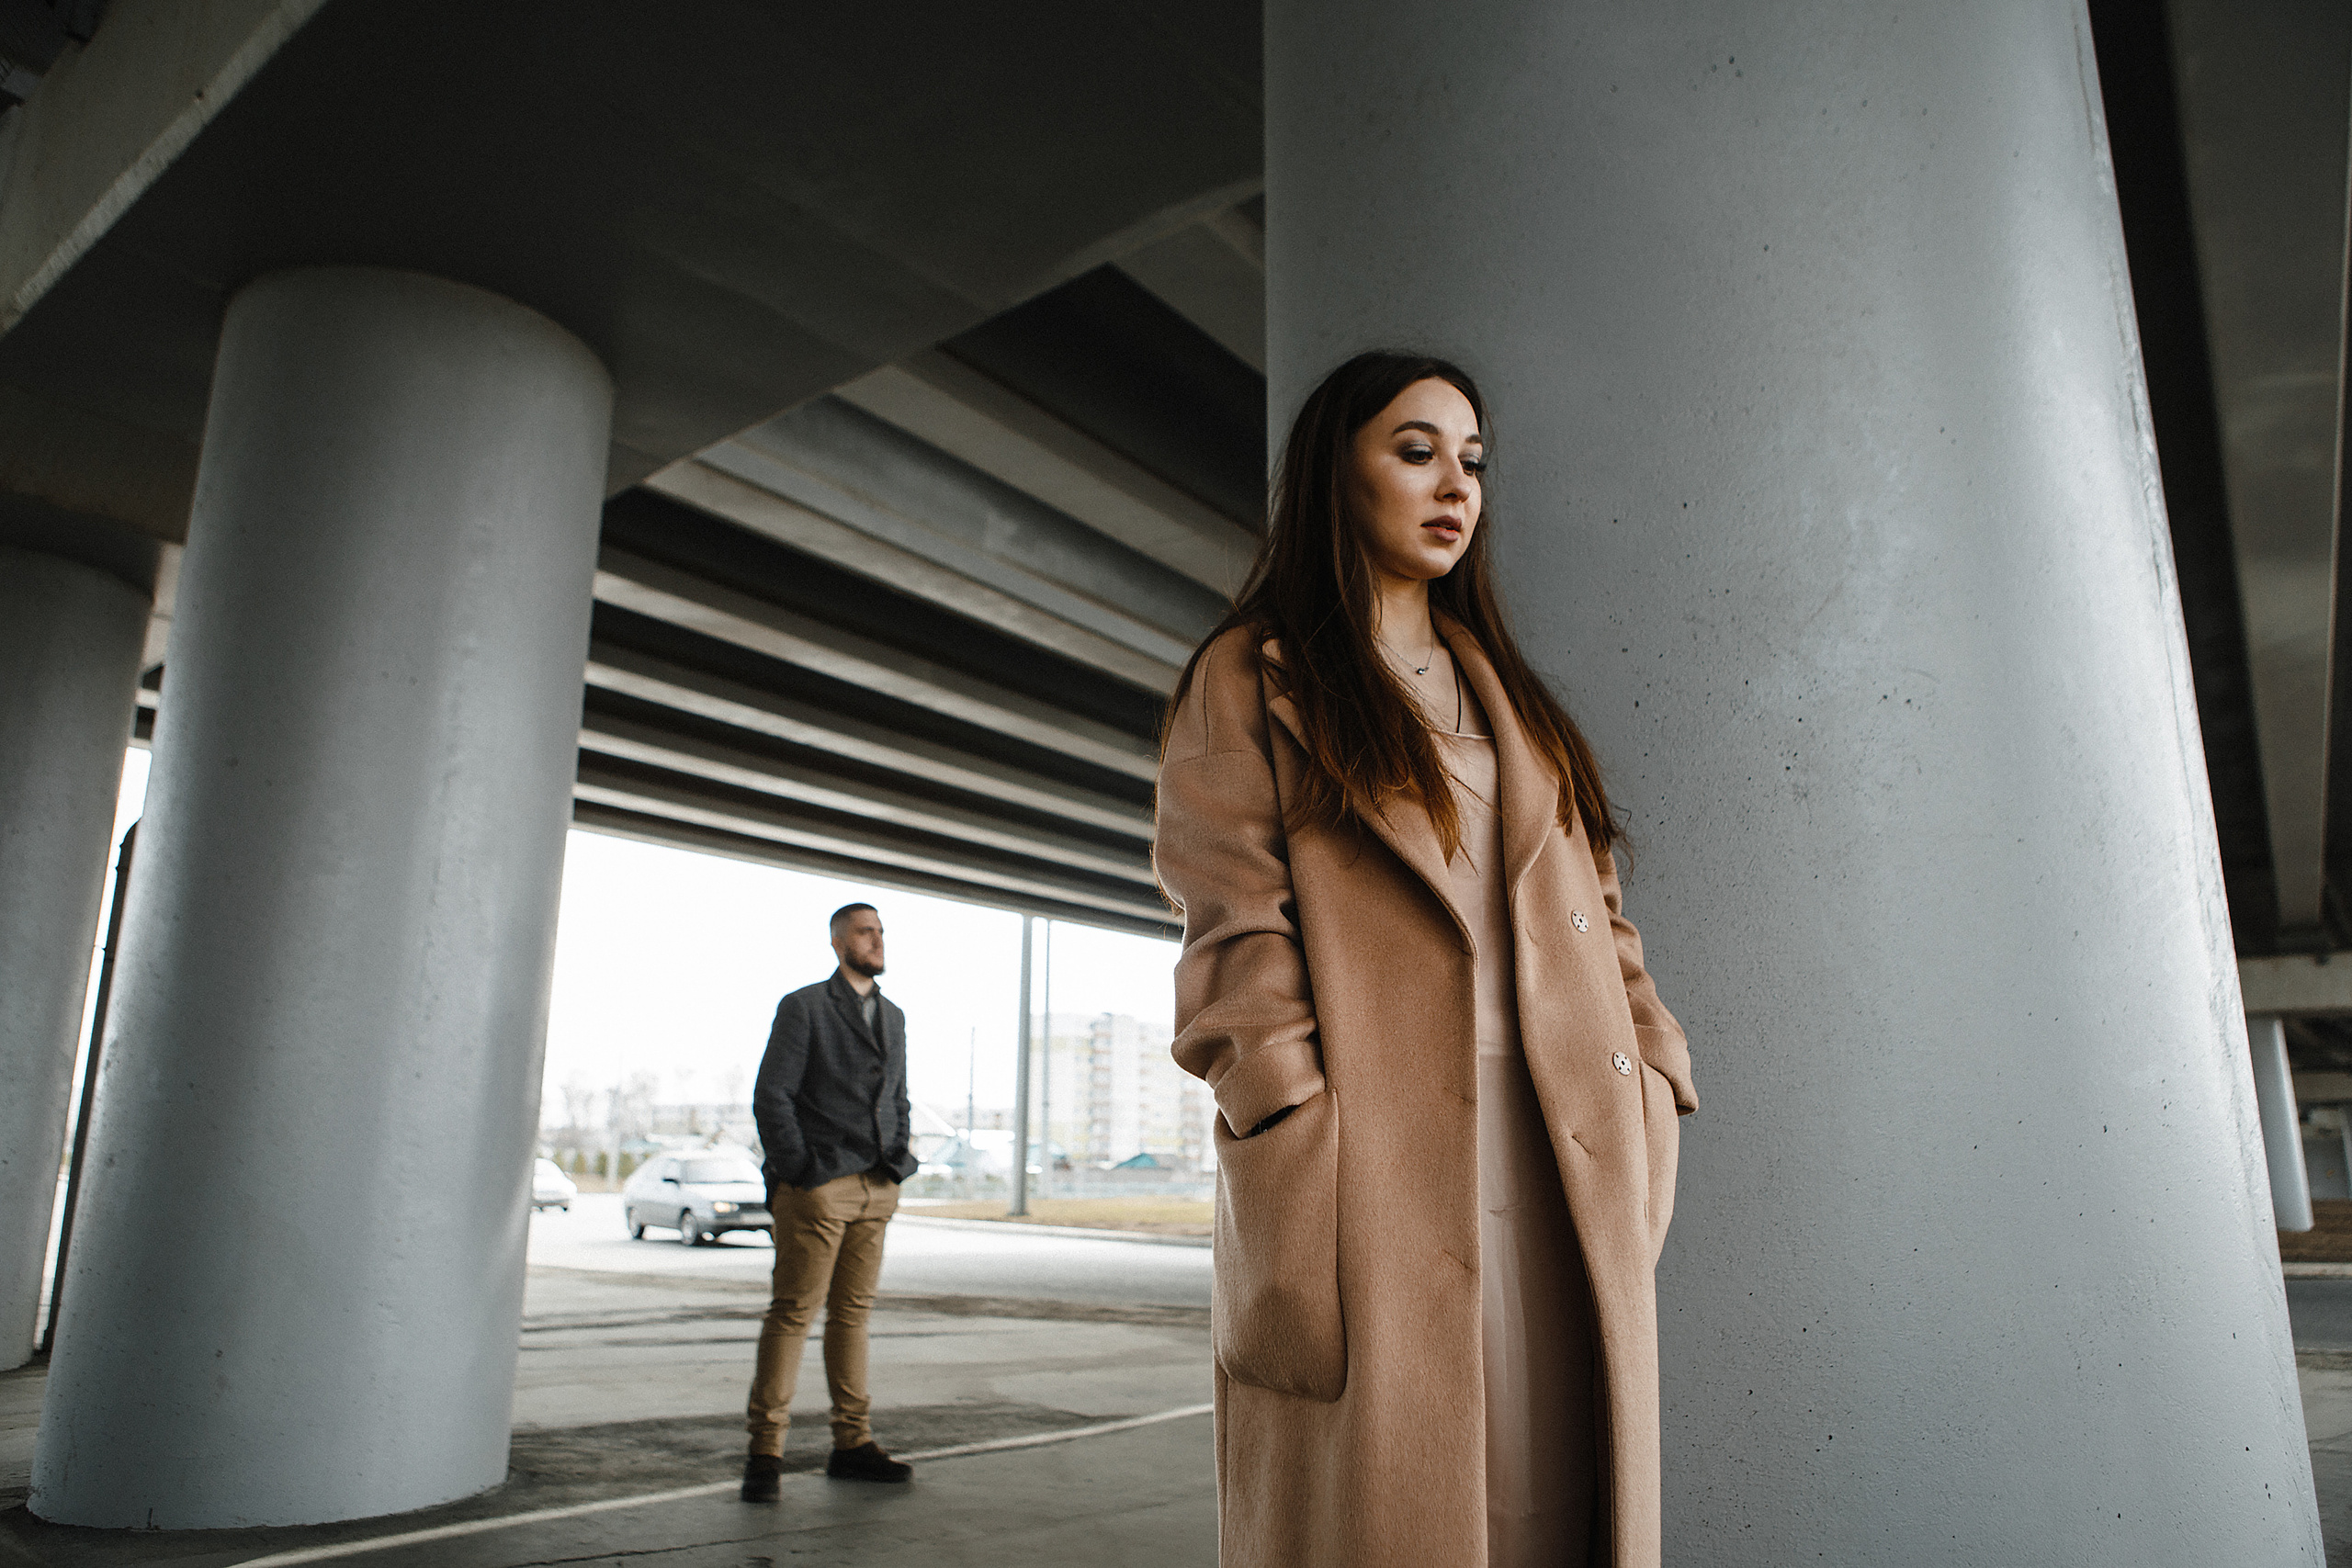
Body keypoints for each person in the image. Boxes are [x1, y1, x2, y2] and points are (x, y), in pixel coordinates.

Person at [1154, 353, 1697, 1568]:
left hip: (1565, 1143)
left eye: (1473, 459)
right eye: (1415, 450)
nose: (1455, 483)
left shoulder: (1515, 701)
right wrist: (1292, 1115)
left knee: (1562, 1495)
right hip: (1374, 1163)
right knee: (1403, 1510)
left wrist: (1655, 1076)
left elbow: (1604, 919)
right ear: (1333, 472)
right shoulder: (1253, 676)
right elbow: (1233, 926)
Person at [740, 901, 920, 1502]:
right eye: (866, 931)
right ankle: (765, 1453)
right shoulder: (806, 1006)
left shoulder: (892, 1015)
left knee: (853, 1315)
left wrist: (897, 1161)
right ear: (839, 940)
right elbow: (773, 1095)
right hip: (820, 1185)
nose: (878, 940)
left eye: (881, 931)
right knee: (793, 1311)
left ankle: (853, 1443)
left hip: (877, 1185)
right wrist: (803, 1172)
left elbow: (899, 1095)